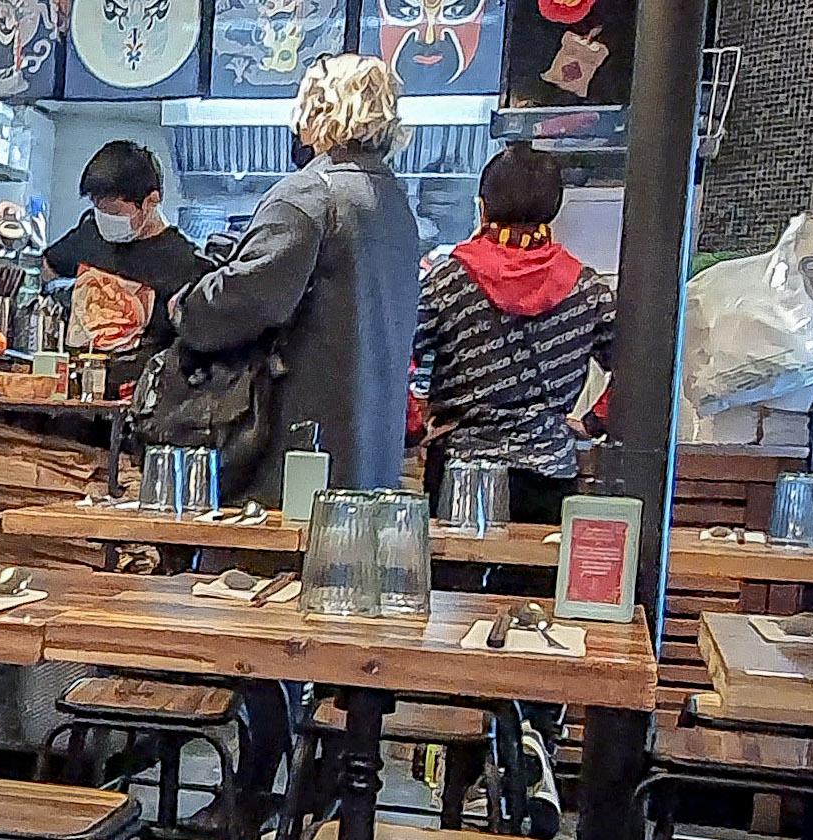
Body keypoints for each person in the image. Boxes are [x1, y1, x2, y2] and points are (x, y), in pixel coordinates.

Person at [172, 55, 420, 502]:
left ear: (318, 111)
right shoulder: (395, 204)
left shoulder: (311, 194)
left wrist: (189, 305)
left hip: (300, 457)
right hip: (373, 462)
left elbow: (250, 299)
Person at [412, 143, 618, 522]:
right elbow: (640, 374)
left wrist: (414, 427)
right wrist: (593, 421)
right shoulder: (589, 290)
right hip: (549, 475)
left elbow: (393, 358)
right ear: (554, 209)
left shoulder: (446, 282)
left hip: (462, 472)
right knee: (537, 563)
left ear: (482, 207)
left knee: (457, 563)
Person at [40, 140, 206, 349]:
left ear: (151, 201)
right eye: (99, 209)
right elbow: (47, 269)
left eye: (115, 212)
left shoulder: (185, 264)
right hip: (76, 365)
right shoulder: (90, 233)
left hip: (141, 368)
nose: (105, 219)